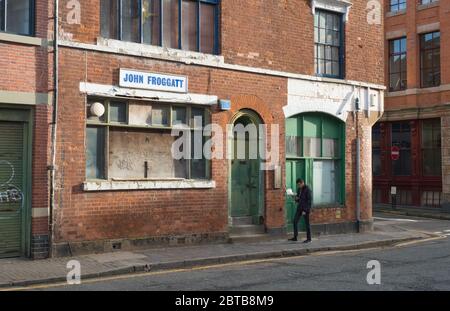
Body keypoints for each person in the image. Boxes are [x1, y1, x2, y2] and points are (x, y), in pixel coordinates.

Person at [289, 178, 312, 243]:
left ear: (302, 183)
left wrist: (305, 210)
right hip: (299, 208)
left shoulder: (307, 189)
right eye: (298, 185)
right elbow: (299, 199)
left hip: (305, 209)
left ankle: (309, 238)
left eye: (299, 184)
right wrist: (294, 197)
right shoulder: (299, 189)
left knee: (307, 224)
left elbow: (309, 201)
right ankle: (295, 237)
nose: (298, 186)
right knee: (295, 221)